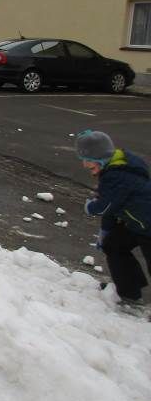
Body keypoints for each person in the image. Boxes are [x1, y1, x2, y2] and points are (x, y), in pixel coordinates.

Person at [76, 129, 151, 305]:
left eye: (88, 161)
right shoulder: (116, 166)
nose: (85, 165)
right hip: (136, 222)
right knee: (113, 244)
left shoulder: (117, 176)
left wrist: (90, 207)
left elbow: (105, 206)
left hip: (148, 225)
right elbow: (114, 206)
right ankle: (129, 292)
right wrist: (105, 230)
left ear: (101, 158)